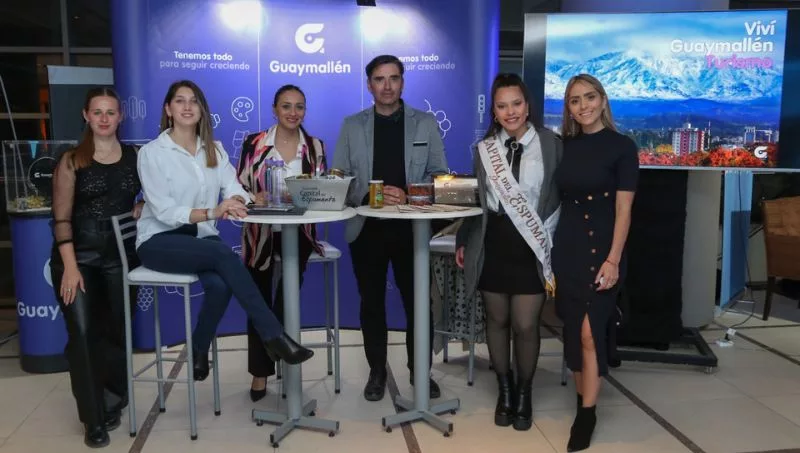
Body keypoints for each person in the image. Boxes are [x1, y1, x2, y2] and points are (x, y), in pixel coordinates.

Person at [135, 80, 315, 386]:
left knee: (219, 286)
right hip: (159, 241)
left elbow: (233, 187)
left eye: (194, 101)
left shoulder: (213, 149)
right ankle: (274, 335)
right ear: (168, 109)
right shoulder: (152, 153)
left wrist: (247, 199)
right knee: (221, 253)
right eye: (180, 101)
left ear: (202, 110)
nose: (188, 106)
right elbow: (164, 212)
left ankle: (198, 347)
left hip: (201, 239)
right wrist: (212, 212)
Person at [333, 55, 448, 401]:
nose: (387, 86)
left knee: (419, 304)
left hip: (412, 230)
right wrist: (366, 195)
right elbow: (338, 177)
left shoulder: (424, 123)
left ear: (403, 82)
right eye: (379, 79)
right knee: (371, 304)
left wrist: (410, 194)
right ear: (369, 85)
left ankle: (419, 371)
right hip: (366, 229)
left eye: (393, 78)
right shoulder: (352, 125)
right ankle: (377, 371)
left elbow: (440, 177)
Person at [455, 73, 562, 431]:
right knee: (497, 321)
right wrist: (463, 238)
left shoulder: (551, 145)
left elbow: (558, 197)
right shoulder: (484, 149)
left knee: (526, 324)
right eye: (502, 106)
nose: (510, 112)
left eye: (516, 103)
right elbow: (476, 200)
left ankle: (524, 392)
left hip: (531, 245)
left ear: (527, 105)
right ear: (494, 112)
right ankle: (505, 390)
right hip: (493, 243)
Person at [51, 87, 143, 448]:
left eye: (111, 112)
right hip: (79, 256)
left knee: (115, 331)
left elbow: (159, 194)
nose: (104, 119)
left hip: (122, 255)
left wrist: (143, 206)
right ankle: (93, 419)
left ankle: (112, 400)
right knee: (83, 333)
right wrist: (70, 267)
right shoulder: (71, 160)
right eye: (98, 112)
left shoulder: (135, 156)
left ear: (121, 116)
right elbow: (61, 219)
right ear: (86, 116)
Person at [553, 73, 638, 452]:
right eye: (575, 100)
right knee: (574, 331)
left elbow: (624, 210)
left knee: (590, 333)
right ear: (568, 108)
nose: (583, 105)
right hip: (568, 248)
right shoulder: (563, 146)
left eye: (589, 97)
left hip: (604, 250)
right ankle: (582, 398)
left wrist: (614, 259)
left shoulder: (623, 147)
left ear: (603, 100)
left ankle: (587, 415)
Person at [237, 84, 327, 402]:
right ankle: (260, 372)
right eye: (286, 106)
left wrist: (305, 194)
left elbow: (322, 188)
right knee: (257, 297)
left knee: (287, 291)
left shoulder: (315, 146)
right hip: (260, 231)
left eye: (299, 106)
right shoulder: (254, 143)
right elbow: (238, 186)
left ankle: (273, 346)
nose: (293, 112)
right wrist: (254, 197)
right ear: (274, 109)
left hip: (299, 232)